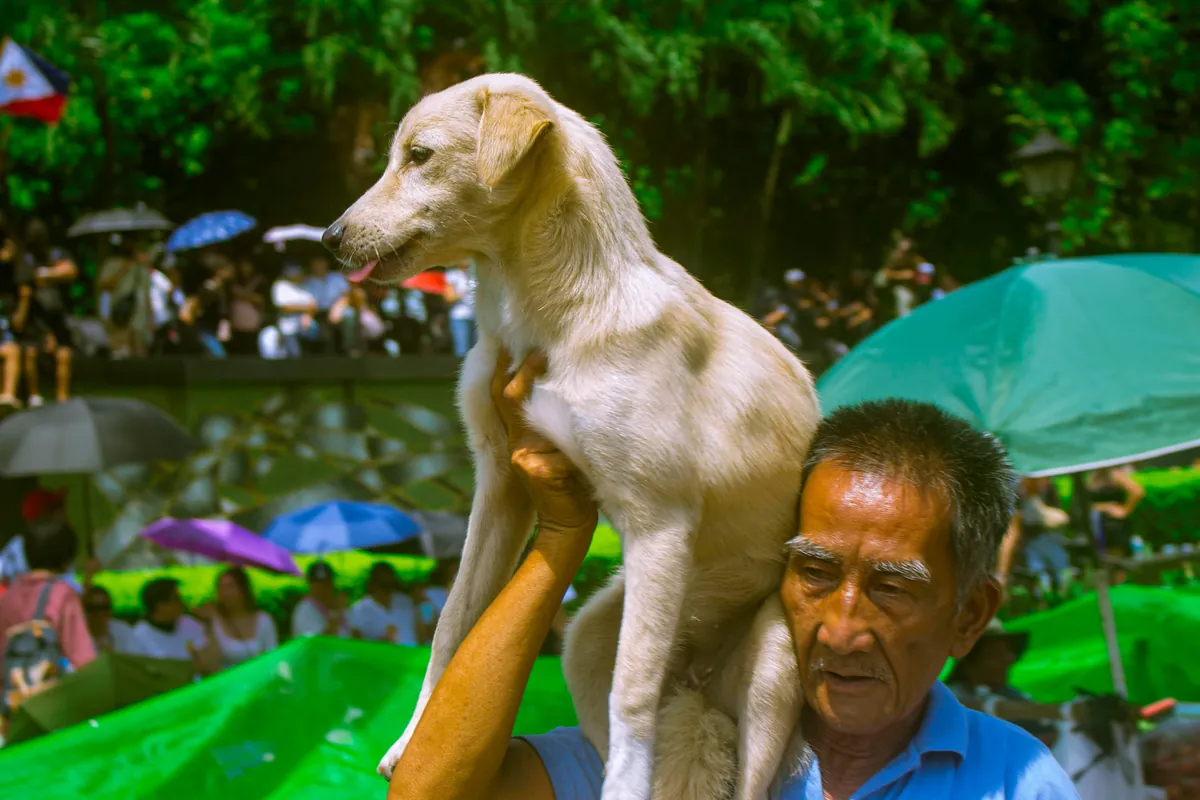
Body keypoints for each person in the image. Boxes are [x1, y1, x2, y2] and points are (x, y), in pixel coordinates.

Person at [385, 352, 1078, 800]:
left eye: (891, 588)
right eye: (814, 571)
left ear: (969, 614)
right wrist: (563, 535)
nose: (840, 630)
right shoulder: (669, 754)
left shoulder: (1017, 782)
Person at [0, 518, 95, 673]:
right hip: (50, 693)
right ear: (67, 558)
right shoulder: (62, 595)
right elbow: (83, 658)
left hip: (12, 693)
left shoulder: (9, 596)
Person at [13, 219, 76, 406]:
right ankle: (34, 397)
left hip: (57, 315)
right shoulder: (25, 259)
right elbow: (23, 280)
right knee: (31, 352)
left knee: (63, 354)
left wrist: (44, 274)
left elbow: (70, 270)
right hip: (35, 318)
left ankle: (62, 399)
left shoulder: (54, 254)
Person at [125, 578, 219, 676]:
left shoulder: (188, 622)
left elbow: (209, 660)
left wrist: (209, 622)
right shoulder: (139, 636)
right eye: (176, 599)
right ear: (160, 606)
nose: (182, 603)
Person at [195, 567, 277, 669]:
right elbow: (211, 664)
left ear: (243, 589)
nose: (226, 593)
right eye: (221, 588)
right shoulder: (215, 621)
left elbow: (272, 657)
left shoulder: (264, 620)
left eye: (230, 587)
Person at [96, 234, 152, 358]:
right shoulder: (111, 263)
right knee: (120, 354)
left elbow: (146, 294)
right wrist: (123, 269)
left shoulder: (141, 267)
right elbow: (104, 286)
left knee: (139, 354)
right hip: (119, 317)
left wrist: (151, 320)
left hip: (138, 320)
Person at [348, 562, 418, 645]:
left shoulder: (405, 601)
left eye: (391, 585)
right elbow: (356, 643)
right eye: (383, 585)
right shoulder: (360, 609)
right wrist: (381, 642)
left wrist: (425, 602)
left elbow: (428, 623)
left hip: (413, 654)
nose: (387, 590)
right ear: (373, 584)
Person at [1086, 466, 1145, 558]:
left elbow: (1137, 491)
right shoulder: (1094, 475)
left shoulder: (1115, 474)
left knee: (1116, 558)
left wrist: (1125, 510)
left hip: (1113, 524)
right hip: (1098, 522)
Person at [291, 560, 351, 638]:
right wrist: (337, 612)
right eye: (320, 584)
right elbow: (320, 642)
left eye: (327, 582)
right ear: (310, 584)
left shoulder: (337, 605)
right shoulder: (305, 609)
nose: (325, 588)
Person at [271, 263, 319, 358]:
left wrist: (308, 316)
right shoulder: (280, 285)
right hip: (287, 327)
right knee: (295, 354)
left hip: (306, 326)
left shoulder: (307, 285)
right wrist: (305, 307)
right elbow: (283, 307)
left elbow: (314, 306)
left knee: (315, 333)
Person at [228, 256, 266, 356]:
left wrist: (242, 295)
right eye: (242, 265)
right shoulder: (233, 281)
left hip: (252, 324)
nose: (244, 268)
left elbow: (260, 300)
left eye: (247, 265)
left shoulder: (259, 281)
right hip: (236, 323)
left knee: (251, 350)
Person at [82, 585, 135, 654]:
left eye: (104, 607)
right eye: (93, 608)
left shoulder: (123, 630)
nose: (100, 613)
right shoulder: (74, 636)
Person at [444, 259, 477, 357]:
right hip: (460, 317)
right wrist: (461, 292)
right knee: (462, 349)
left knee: (477, 348)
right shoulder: (452, 275)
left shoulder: (475, 275)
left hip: (476, 316)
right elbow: (448, 297)